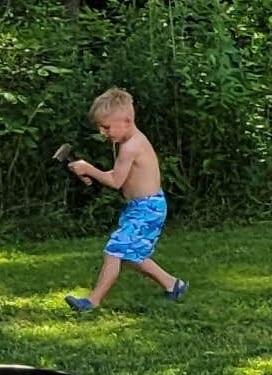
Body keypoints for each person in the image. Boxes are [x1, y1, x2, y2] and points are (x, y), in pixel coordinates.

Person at [65, 89, 185, 312]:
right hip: (140, 207)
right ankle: (173, 284)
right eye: (101, 127)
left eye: (107, 127)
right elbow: (119, 174)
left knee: (114, 250)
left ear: (127, 120)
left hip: (148, 208)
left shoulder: (131, 146)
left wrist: (88, 168)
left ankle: (92, 301)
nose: (102, 132)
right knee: (131, 254)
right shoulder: (128, 144)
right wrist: (88, 173)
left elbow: (115, 181)